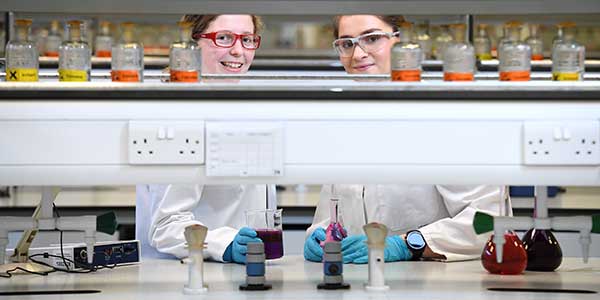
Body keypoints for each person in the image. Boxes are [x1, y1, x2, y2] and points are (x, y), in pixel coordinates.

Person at [303, 15, 505, 263]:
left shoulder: (447, 118)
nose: (357, 54)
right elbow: (332, 214)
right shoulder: (346, 123)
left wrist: (410, 244)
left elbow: (488, 220)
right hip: (358, 281)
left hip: (433, 284)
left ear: (402, 40)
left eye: (372, 38)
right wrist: (321, 235)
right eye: (346, 44)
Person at [139, 14, 266, 264]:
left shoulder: (246, 105)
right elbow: (166, 226)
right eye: (224, 38)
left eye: (247, 40)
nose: (239, 51)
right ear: (196, 41)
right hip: (186, 272)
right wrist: (225, 245)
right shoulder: (179, 115)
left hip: (242, 269)